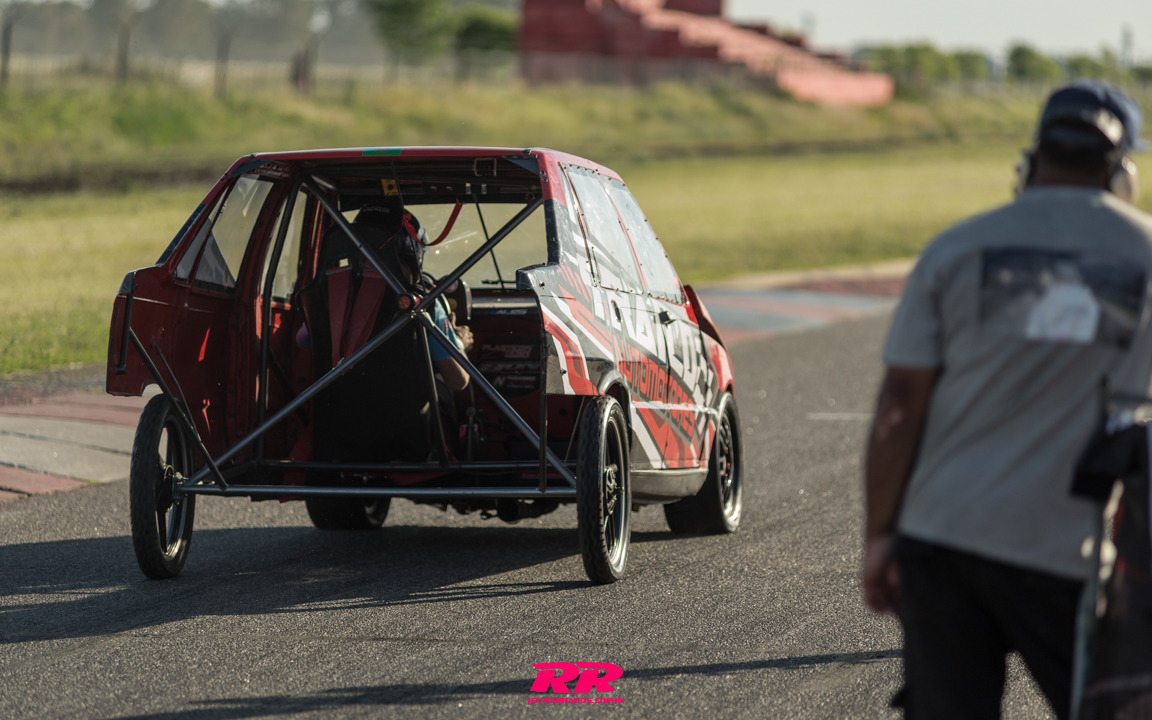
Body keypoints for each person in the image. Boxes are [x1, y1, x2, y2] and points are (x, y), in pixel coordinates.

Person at [862, 81, 1152, 720]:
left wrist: (880, 535)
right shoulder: (1145, 254)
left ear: (1029, 161)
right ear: (1122, 173)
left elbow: (898, 410)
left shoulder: (955, 248)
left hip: (941, 540)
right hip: (1064, 549)